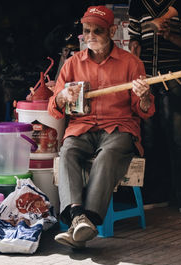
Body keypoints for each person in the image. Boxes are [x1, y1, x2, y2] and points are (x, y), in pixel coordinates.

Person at [48, 5, 155, 249]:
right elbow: (53, 109)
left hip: (117, 128)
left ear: (112, 31)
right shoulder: (72, 64)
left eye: (98, 30)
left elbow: (145, 111)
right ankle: (78, 218)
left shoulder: (131, 63)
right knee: (68, 151)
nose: (91, 36)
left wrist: (145, 96)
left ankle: (87, 220)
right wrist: (63, 96)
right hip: (82, 128)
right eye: (87, 31)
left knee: (107, 155)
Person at [128, 0, 181, 218]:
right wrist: (134, 48)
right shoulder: (138, 4)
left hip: (174, 78)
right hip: (146, 80)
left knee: (179, 139)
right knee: (149, 139)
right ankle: (155, 194)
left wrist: (172, 37)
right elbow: (134, 39)